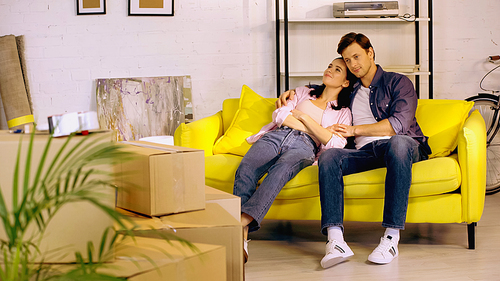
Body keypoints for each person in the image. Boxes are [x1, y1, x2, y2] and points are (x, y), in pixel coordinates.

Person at [277, 32, 432, 268]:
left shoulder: (398, 82)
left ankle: (391, 237)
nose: (353, 65)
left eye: (357, 57)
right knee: (329, 156)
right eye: (348, 60)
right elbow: (327, 88)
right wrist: (294, 93)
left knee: (398, 142)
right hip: (366, 153)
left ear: (370, 53)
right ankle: (336, 240)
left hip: (403, 146)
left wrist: (354, 130)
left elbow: (397, 125)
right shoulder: (352, 88)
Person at [234, 57, 357, 263]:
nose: (329, 71)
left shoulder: (343, 113)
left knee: (280, 171)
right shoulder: (303, 92)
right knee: (246, 168)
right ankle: (241, 239)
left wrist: (305, 118)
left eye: (337, 70)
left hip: (306, 146)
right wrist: (320, 131)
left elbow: (336, 143)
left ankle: (239, 222)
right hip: (276, 135)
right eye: (329, 66)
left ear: (345, 82)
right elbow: (280, 115)